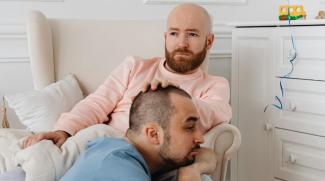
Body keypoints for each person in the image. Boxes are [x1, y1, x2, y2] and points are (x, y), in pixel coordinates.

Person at [23, 2, 231, 150]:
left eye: (192, 34)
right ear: (165, 37)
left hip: (149, 156)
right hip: (104, 142)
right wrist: (64, 131)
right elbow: (97, 103)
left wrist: (172, 97)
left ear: (209, 41)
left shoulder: (214, 85)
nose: (181, 43)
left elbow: (216, 112)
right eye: (174, 33)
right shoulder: (135, 66)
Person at [60, 86, 218, 181]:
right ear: (153, 134)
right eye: (189, 127)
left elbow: (208, 156)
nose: (200, 138)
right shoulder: (119, 169)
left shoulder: (112, 148)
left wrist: (191, 170)